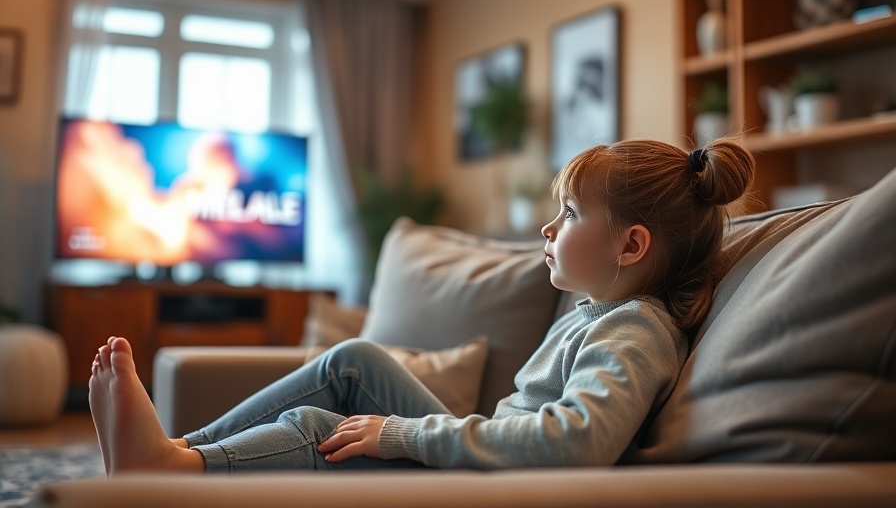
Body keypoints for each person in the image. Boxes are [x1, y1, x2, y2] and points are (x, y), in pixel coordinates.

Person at [89, 136, 755, 474]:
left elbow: (578, 443)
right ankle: (173, 452)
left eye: (572, 213)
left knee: (325, 425)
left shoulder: (635, 331)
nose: (549, 229)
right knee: (353, 361)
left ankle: (176, 470)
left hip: (500, 492)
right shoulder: (598, 314)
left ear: (631, 245)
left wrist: (403, 433)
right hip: (489, 473)